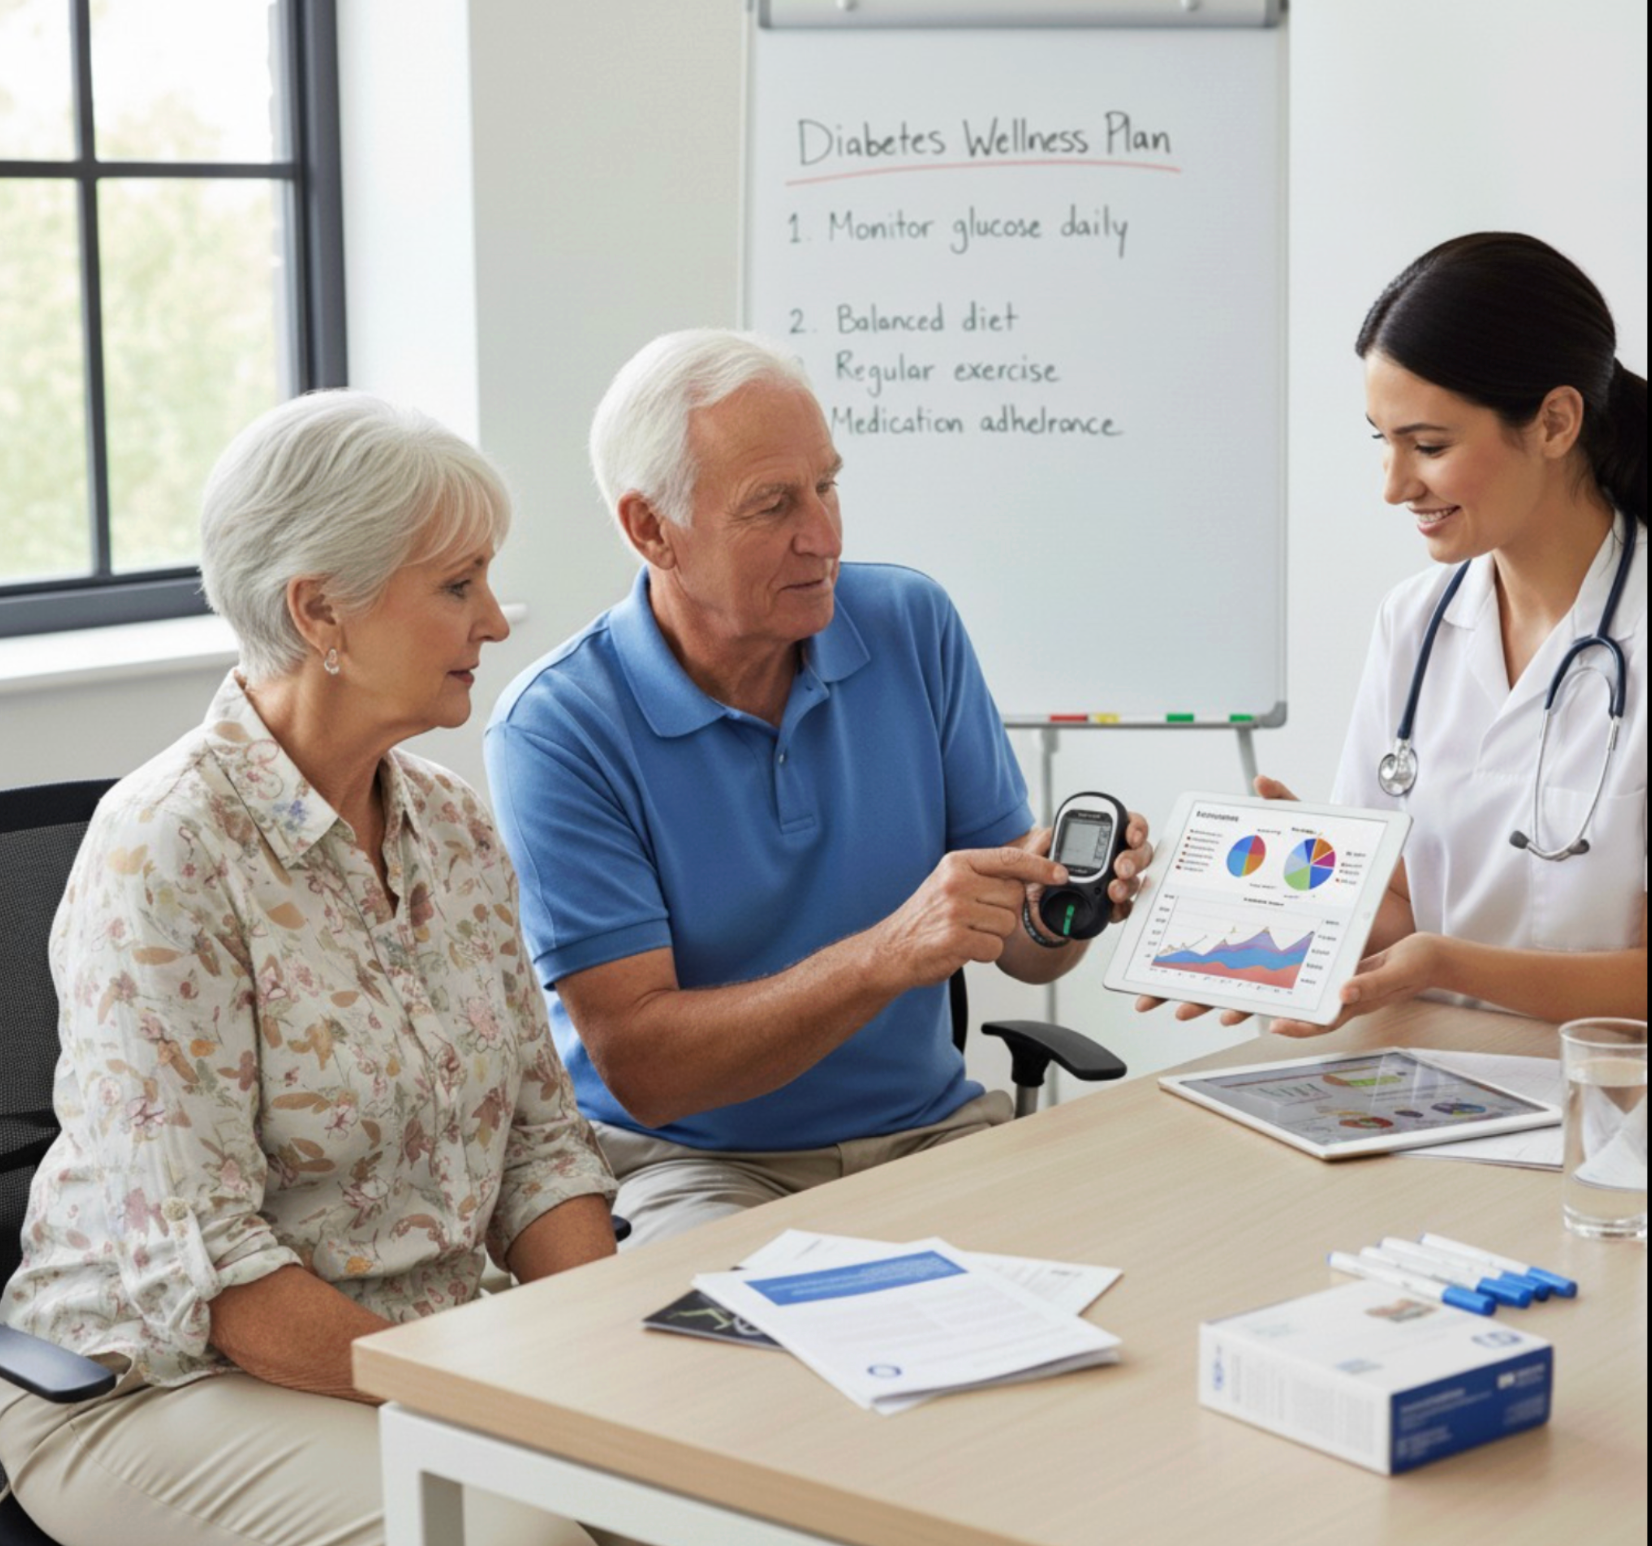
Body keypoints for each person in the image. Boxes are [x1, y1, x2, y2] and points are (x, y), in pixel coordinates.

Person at [0, 393, 623, 1546]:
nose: (492, 619)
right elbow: (221, 1276)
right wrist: (501, 1393)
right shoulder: (166, 849)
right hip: (157, 1385)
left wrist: (603, 1351)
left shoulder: (452, 826)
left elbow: (540, 1146)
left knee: (708, 1492)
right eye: (456, 585)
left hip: (429, 1348)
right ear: (317, 611)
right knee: (519, 1539)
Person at [486, 329, 1150, 1246]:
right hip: (696, 1167)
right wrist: (887, 955)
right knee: (730, 1359)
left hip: (931, 1137)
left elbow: (1026, 955)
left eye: (828, 486)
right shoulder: (556, 728)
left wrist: (1065, 910)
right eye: (771, 506)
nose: (824, 538)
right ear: (651, 529)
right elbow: (647, 1070)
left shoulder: (911, 624)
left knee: (1123, 1276)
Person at [1149, 233, 1646, 1038]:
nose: (1394, 485)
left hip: (1610, 1106)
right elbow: (1409, 907)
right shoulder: (1414, 622)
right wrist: (1297, 888)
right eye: (1382, 440)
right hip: (1428, 1073)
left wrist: (1446, 962)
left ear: (1555, 422)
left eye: (1430, 446)